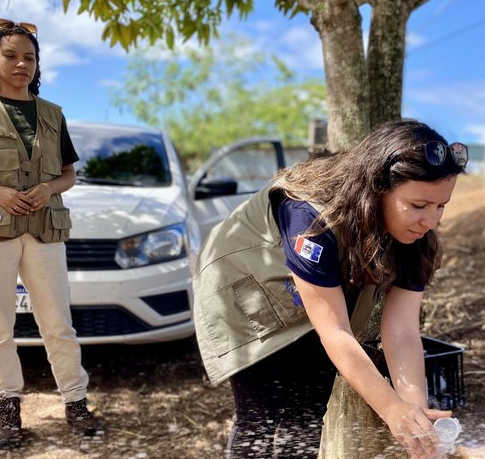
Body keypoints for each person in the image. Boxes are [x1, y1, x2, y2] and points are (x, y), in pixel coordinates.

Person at [193, 119, 468, 458]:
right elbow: (335, 332)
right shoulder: (309, 217)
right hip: (246, 284)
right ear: (378, 188)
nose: (432, 221)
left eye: (442, 206)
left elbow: (402, 332)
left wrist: (415, 417)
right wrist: (391, 410)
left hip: (317, 292)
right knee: (266, 419)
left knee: (306, 415)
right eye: (418, 206)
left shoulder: (417, 239)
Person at [0, 18, 98, 449]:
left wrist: (48, 188)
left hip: (44, 230)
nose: (21, 63)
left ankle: (76, 402)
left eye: (29, 57)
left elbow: (68, 176)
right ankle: (7, 409)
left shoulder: (52, 114)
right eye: (11, 55)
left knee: (58, 323)